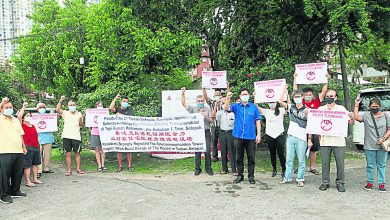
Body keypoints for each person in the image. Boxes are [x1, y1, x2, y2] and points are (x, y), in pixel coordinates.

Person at [318, 90, 354, 192]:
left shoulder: (341, 109)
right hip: (325, 141)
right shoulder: (320, 109)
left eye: (331, 96)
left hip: (339, 141)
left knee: (340, 163)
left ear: (336, 98)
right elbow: (314, 123)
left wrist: (351, 116)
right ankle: (325, 182)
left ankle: (340, 183)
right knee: (325, 163)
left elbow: (351, 122)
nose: (329, 97)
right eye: (328, 96)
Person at [224, 88, 261, 184]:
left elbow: (258, 121)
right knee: (239, 157)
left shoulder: (253, 107)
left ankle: (251, 176)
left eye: (246, 94)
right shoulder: (236, 106)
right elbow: (226, 108)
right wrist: (227, 98)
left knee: (251, 157)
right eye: (243, 94)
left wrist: (259, 134)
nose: (245, 96)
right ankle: (240, 175)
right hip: (238, 136)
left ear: (249, 95)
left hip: (251, 136)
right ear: (240, 96)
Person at [293, 72, 328, 175]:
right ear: (302, 96)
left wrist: (326, 79)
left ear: (313, 96)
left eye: (310, 95)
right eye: (306, 95)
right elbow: (295, 91)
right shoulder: (300, 102)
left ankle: (312, 167)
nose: (308, 96)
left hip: (314, 129)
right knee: (301, 148)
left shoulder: (316, 102)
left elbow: (324, 91)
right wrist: (295, 78)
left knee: (314, 149)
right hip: (302, 128)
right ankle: (300, 166)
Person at [354, 97, 390, 192]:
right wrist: (356, 104)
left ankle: (381, 183)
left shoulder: (386, 116)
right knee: (370, 165)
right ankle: (369, 182)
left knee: (382, 165)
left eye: (376, 106)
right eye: (373, 106)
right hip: (369, 145)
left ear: (380, 106)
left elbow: (389, 129)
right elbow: (357, 117)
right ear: (369, 106)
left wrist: (383, 139)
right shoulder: (366, 116)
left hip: (382, 145)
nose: (374, 108)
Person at [279, 86, 311, 187]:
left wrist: (309, 139)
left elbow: (310, 126)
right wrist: (284, 90)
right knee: (289, 159)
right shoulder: (291, 107)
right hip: (291, 137)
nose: (297, 98)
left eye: (298, 96)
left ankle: (300, 179)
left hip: (302, 138)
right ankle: (287, 178)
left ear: (302, 97)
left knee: (301, 160)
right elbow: (280, 101)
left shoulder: (307, 110)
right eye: (295, 97)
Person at [0, 97, 27, 204]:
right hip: (4, 151)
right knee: (4, 174)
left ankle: (15, 191)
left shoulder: (15, 119)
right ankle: (4, 195)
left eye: (10, 107)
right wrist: (2, 102)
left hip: (18, 151)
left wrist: (24, 147)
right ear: (1, 109)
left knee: (17, 173)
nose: (9, 109)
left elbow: (20, 134)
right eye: (6, 107)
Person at [181, 87, 214, 176]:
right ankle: (197, 169)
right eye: (198, 101)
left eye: (201, 101)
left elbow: (211, 121)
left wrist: (206, 117)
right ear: (196, 102)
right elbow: (184, 104)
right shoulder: (193, 109)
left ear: (203, 101)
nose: (200, 102)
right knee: (197, 151)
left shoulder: (207, 109)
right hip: (197, 133)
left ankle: (208, 168)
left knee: (207, 150)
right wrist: (182, 93)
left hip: (206, 131)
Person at [56, 96, 84, 176]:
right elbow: (58, 110)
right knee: (68, 153)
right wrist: (60, 101)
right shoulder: (65, 113)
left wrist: (81, 120)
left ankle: (78, 168)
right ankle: (68, 170)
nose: (72, 106)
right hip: (66, 136)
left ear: (76, 106)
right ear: (68, 106)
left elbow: (81, 125)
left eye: (73, 105)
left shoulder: (79, 113)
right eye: (70, 105)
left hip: (76, 136)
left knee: (77, 153)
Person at [257, 102, 286, 178]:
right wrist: (256, 96)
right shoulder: (266, 111)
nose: (271, 104)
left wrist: (285, 97)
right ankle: (274, 169)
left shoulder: (281, 110)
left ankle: (284, 169)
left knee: (281, 153)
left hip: (279, 135)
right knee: (272, 153)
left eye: (273, 102)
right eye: (270, 102)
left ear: (276, 103)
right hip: (270, 135)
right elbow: (256, 107)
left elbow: (288, 106)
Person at [17, 103, 43, 187]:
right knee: (27, 165)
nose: (29, 117)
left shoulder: (33, 126)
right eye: (27, 115)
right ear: (24, 118)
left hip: (36, 147)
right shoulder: (22, 125)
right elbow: (19, 117)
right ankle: (28, 181)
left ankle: (35, 179)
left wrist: (39, 146)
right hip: (28, 147)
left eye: (30, 115)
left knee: (35, 164)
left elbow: (36, 137)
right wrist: (23, 107)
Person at [109, 94, 135, 172]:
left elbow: (131, 118)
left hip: (128, 132)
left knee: (129, 150)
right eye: (123, 101)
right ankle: (120, 166)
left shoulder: (130, 109)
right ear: (120, 102)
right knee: (119, 150)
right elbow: (110, 108)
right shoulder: (117, 109)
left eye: (126, 102)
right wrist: (115, 98)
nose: (125, 103)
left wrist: (121, 115)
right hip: (119, 132)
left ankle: (129, 166)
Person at [213, 97, 236, 175]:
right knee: (223, 151)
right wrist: (216, 105)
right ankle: (224, 169)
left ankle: (234, 169)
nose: (224, 104)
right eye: (223, 103)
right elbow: (213, 117)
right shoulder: (220, 112)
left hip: (231, 133)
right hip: (222, 132)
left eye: (225, 102)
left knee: (232, 151)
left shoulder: (233, 112)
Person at [203, 87, 224, 162]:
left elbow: (228, 96)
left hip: (222, 125)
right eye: (216, 94)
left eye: (218, 94)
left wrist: (227, 86)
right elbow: (205, 96)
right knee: (214, 141)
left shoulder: (223, 101)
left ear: (221, 95)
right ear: (214, 95)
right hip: (214, 125)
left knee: (223, 142)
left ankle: (224, 156)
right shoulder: (211, 102)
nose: (217, 95)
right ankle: (215, 156)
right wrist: (203, 88)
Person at [36, 102, 55, 175]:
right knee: (38, 155)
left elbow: (54, 126)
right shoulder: (34, 117)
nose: (42, 109)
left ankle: (46, 168)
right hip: (38, 138)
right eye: (40, 107)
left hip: (48, 138)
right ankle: (38, 170)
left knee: (47, 154)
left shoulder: (49, 117)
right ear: (37, 109)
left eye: (43, 107)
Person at [91, 101, 106, 172]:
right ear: (96, 106)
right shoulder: (92, 113)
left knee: (103, 149)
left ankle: (103, 164)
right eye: (98, 105)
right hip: (95, 132)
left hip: (103, 132)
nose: (100, 107)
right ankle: (99, 165)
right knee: (97, 149)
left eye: (101, 105)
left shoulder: (105, 113)